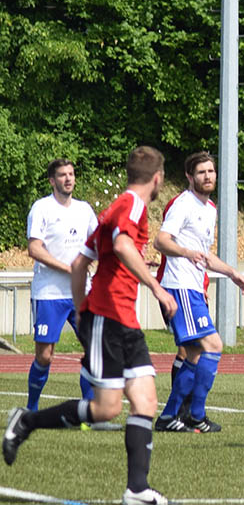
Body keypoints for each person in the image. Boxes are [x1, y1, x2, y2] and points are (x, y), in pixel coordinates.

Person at [3, 146, 178, 505]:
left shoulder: (108, 208)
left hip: (120, 319)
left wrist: (81, 308)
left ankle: (137, 490)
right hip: (111, 319)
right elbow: (124, 246)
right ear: (157, 178)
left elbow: (82, 261)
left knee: (145, 400)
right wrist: (156, 287)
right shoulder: (131, 207)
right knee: (106, 408)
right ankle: (27, 420)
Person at [154, 151, 244, 433]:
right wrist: (185, 252)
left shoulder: (210, 209)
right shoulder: (182, 204)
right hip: (180, 286)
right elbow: (160, 241)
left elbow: (205, 255)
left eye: (211, 171)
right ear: (189, 176)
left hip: (194, 288)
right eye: (201, 172)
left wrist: (233, 273)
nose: (208, 176)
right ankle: (195, 414)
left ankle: (171, 417)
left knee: (195, 353)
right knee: (213, 345)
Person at [24, 159, 98, 412]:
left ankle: (87, 412)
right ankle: (31, 408)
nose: (68, 179)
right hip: (49, 293)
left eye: (71, 174)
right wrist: (69, 269)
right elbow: (34, 248)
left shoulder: (84, 209)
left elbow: (98, 245)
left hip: (82, 293)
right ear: (52, 181)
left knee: (94, 350)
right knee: (44, 356)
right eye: (62, 175)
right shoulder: (42, 208)